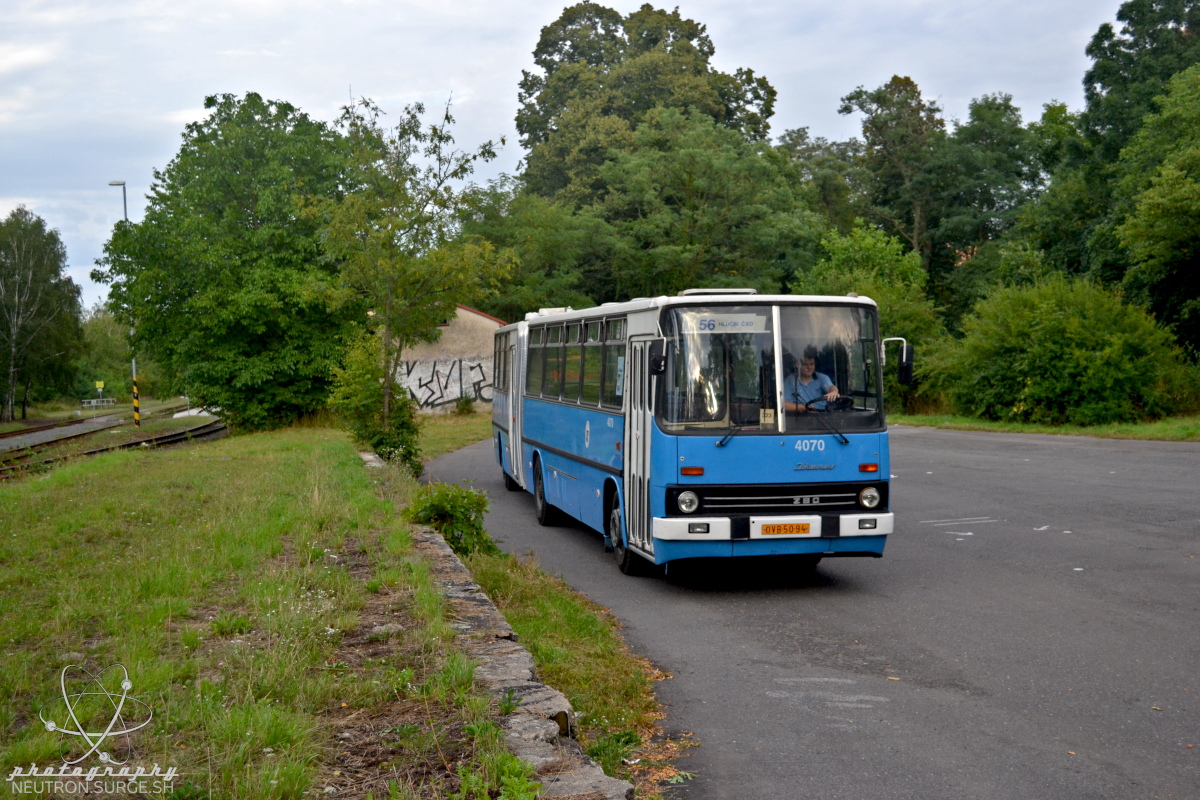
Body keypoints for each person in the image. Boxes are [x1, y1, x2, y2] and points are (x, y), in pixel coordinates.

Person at [783, 346, 840, 411]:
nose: (809, 367)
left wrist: (834, 391)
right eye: (805, 364)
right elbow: (784, 405)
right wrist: (805, 407)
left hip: (823, 415)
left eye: (811, 364)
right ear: (798, 365)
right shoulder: (790, 381)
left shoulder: (821, 378)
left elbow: (831, 387)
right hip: (799, 415)